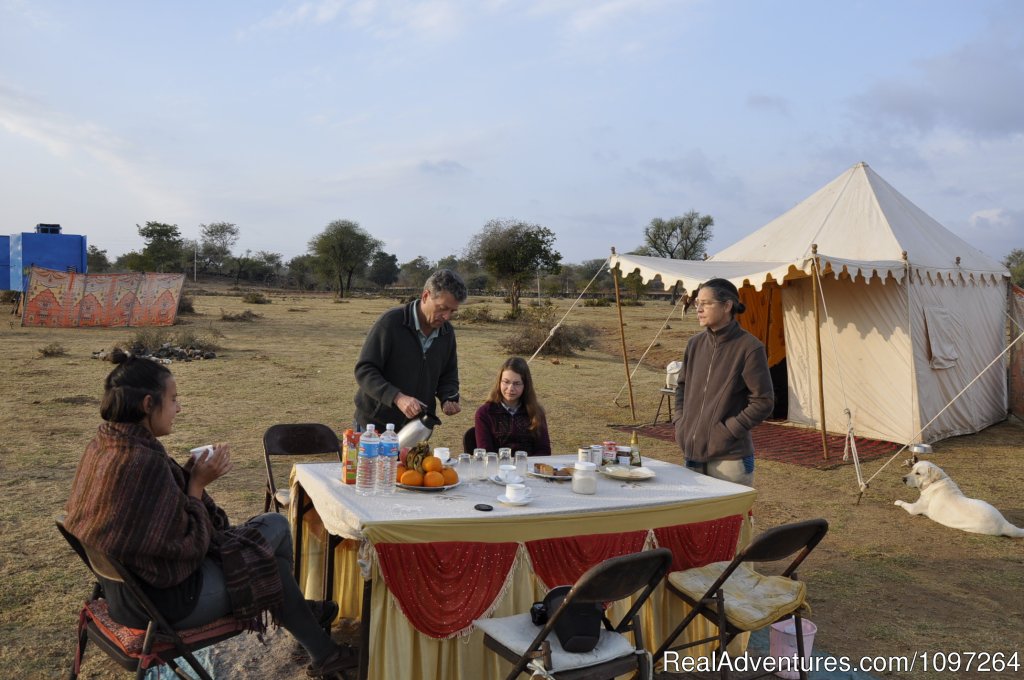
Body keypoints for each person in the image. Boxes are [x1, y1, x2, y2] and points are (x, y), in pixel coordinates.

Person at [63, 349, 355, 678]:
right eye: (173, 399)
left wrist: (187, 479)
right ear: (148, 404)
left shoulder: (106, 444)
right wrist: (197, 486)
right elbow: (188, 548)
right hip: (166, 603)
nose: (178, 408)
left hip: (122, 593)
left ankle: (301, 617)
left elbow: (158, 518)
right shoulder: (142, 462)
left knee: (273, 526)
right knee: (271, 549)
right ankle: (311, 632)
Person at [673, 278, 773, 486]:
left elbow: (763, 401)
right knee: (696, 518)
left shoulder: (749, 347)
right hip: (693, 450)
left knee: (727, 518)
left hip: (731, 457)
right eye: (697, 303)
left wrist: (728, 430)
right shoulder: (694, 344)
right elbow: (681, 387)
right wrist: (681, 423)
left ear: (727, 306)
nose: (698, 309)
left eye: (706, 303)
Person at [354, 269, 468, 431]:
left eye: (452, 311)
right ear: (426, 296)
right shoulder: (391, 323)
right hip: (374, 425)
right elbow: (364, 370)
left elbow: (448, 375)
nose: (446, 317)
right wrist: (397, 397)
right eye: (442, 308)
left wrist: (448, 398)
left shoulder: (446, 333)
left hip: (418, 427)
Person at [474, 357, 552, 456]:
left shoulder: (536, 412)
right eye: (506, 382)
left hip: (528, 468)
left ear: (525, 385)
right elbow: (485, 452)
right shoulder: (484, 413)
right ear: (499, 383)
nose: (510, 388)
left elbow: (544, 450)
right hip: (497, 469)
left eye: (517, 383)